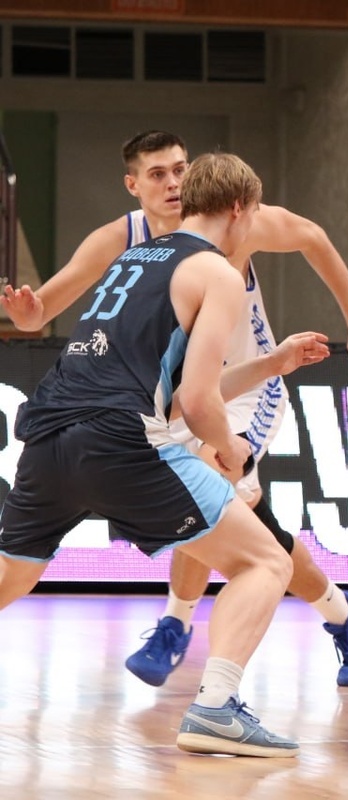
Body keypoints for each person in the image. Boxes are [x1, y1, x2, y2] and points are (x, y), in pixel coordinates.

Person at [0, 130, 348, 688]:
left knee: (213, 485)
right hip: (168, 396)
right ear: (133, 185)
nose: (173, 182)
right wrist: (27, 314)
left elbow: (312, 236)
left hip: (246, 387)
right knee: (250, 530)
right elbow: (42, 310)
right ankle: (343, 609)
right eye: (158, 173)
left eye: (180, 169)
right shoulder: (124, 240)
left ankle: (176, 624)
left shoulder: (240, 224)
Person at [0, 152, 304, 757]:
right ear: (238, 208)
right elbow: (196, 402)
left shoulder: (134, 256)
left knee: (13, 575)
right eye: (254, 213)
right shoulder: (217, 272)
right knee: (266, 562)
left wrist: (272, 364)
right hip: (120, 441)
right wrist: (232, 449)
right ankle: (216, 707)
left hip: (49, 435)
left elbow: (170, 392)